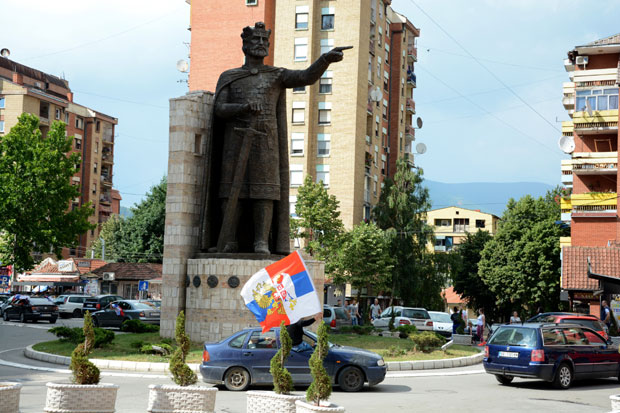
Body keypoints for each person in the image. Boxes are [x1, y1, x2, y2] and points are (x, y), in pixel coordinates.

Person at [200, 21, 350, 254]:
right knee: (230, 191)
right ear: (245, 45)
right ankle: (229, 240)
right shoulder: (230, 76)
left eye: (264, 40)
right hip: (234, 143)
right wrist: (243, 108)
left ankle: (261, 242)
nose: (261, 44)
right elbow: (219, 108)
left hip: (266, 142)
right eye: (256, 40)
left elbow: (306, 77)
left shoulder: (276, 75)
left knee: (265, 192)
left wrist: (324, 60)